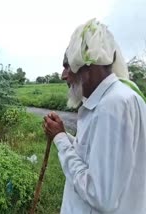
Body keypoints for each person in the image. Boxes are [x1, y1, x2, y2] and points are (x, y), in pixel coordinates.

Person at [43, 19, 146, 214]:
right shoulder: (123, 98)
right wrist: (62, 135)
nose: (64, 75)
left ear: (89, 68)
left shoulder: (112, 106)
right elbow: (94, 156)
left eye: (68, 66)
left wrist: (60, 140)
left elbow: (100, 195)